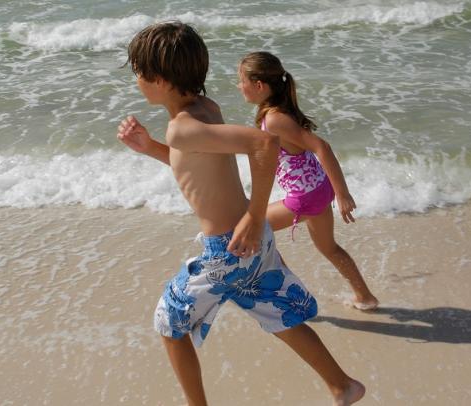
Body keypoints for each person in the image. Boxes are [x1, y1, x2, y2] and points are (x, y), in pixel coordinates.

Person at [117, 21, 365, 406]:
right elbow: (196, 168)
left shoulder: (182, 128)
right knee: (281, 316)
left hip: (228, 250)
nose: (136, 81)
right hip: (253, 243)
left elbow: (265, 144)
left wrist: (253, 214)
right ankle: (342, 385)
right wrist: (149, 147)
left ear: (160, 79)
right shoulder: (204, 109)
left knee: (170, 323)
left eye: (138, 73)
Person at [237, 51, 379, 311]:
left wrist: (343, 193)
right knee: (329, 248)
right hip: (318, 189)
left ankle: (292, 299)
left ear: (259, 85)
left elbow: (321, 147)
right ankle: (365, 297)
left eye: (241, 80)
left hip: (306, 197)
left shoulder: (275, 118)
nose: (238, 86)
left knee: (249, 232)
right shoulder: (275, 112)